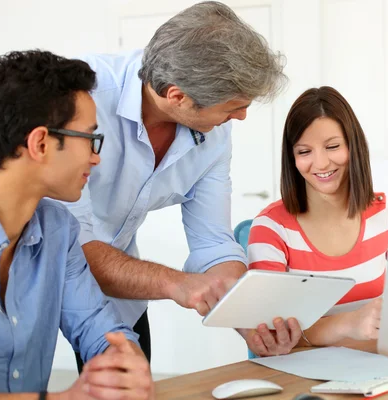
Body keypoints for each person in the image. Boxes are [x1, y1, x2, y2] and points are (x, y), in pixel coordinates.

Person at [64, 1, 289, 367]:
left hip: (116, 291)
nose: (241, 117)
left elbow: (213, 241)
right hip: (40, 273)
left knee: (129, 383)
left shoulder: (213, 132)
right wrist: (178, 284)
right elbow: (74, 248)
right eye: (233, 106)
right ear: (177, 96)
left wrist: (249, 318)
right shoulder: (81, 101)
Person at [0, 50, 153, 398]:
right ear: (41, 143)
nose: (97, 155)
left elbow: (98, 326)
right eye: (90, 137)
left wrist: (125, 365)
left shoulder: (58, 230)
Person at [247, 86, 388, 347]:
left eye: (333, 146)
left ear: (353, 145)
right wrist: (348, 323)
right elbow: (272, 338)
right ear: (292, 158)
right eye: (304, 152)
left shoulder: (384, 213)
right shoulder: (270, 229)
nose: (322, 163)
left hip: (379, 363)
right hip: (306, 377)